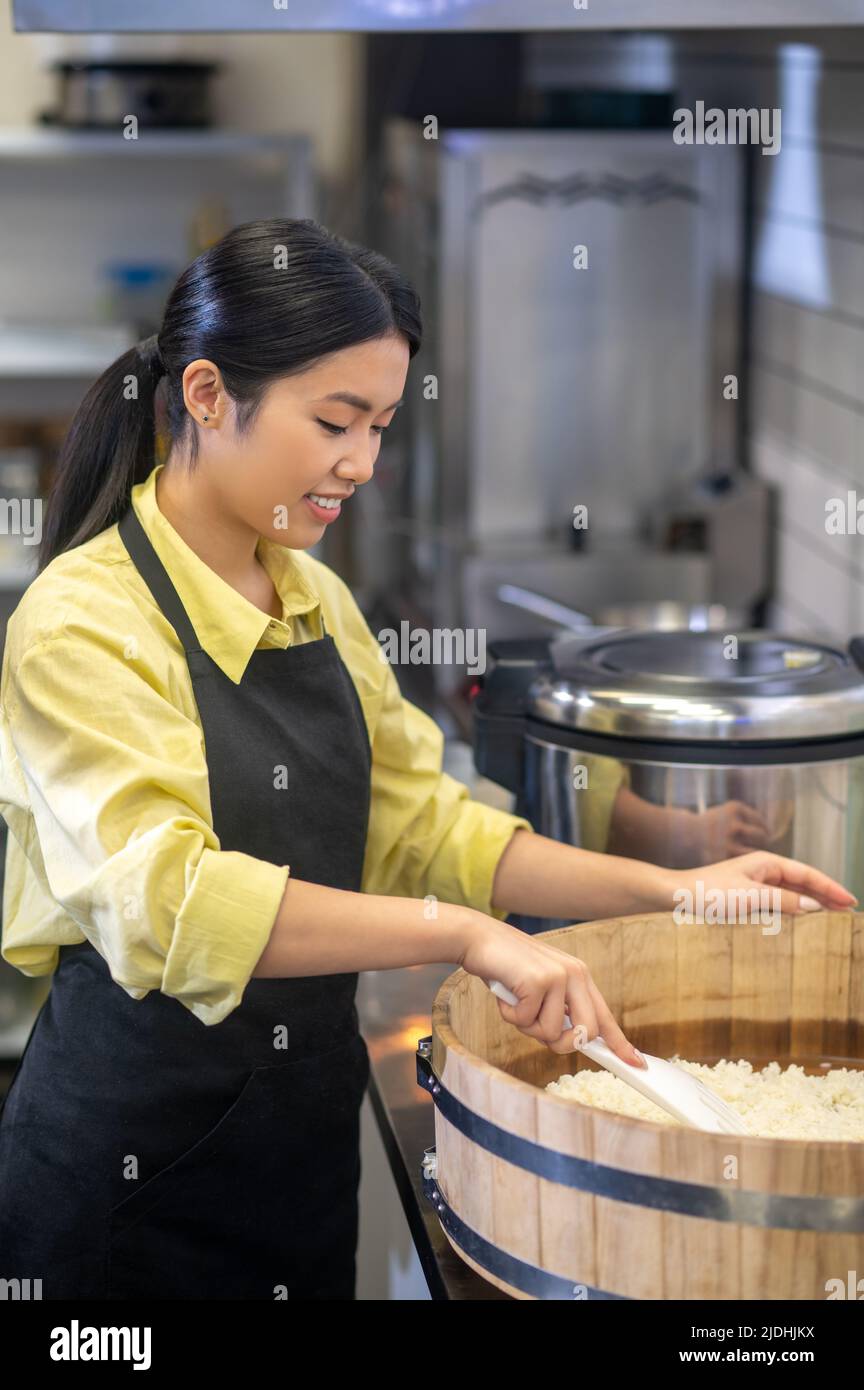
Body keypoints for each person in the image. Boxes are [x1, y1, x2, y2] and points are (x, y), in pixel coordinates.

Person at [0, 219, 853, 1301]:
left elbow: (435, 828)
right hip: (123, 1195)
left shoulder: (311, 594)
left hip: (294, 1159)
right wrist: (468, 936)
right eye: (334, 422)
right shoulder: (84, 622)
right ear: (208, 395)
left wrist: (678, 890)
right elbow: (171, 901)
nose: (362, 464)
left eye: (382, 425)